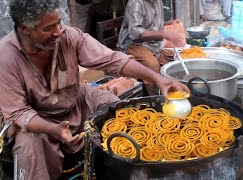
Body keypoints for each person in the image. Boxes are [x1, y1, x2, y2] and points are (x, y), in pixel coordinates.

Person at [0, 0, 189, 179]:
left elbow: (114, 59)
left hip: (76, 101)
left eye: (59, 23)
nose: (58, 32)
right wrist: (55, 129)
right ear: (25, 29)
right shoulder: (6, 57)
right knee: (28, 146)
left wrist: (158, 78)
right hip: (39, 120)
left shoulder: (68, 35)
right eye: (49, 28)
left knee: (119, 109)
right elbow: (19, 112)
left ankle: (125, 168)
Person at [118, 0, 185, 95]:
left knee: (176, 60)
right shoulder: (136, 3)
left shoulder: (157, 2)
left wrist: (169, 23)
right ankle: (155, 99)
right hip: (134, 44)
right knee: (152, 66)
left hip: (154, 45)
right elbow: (135, 32)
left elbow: (155, 24)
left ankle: (176, 93)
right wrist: (163, 33)